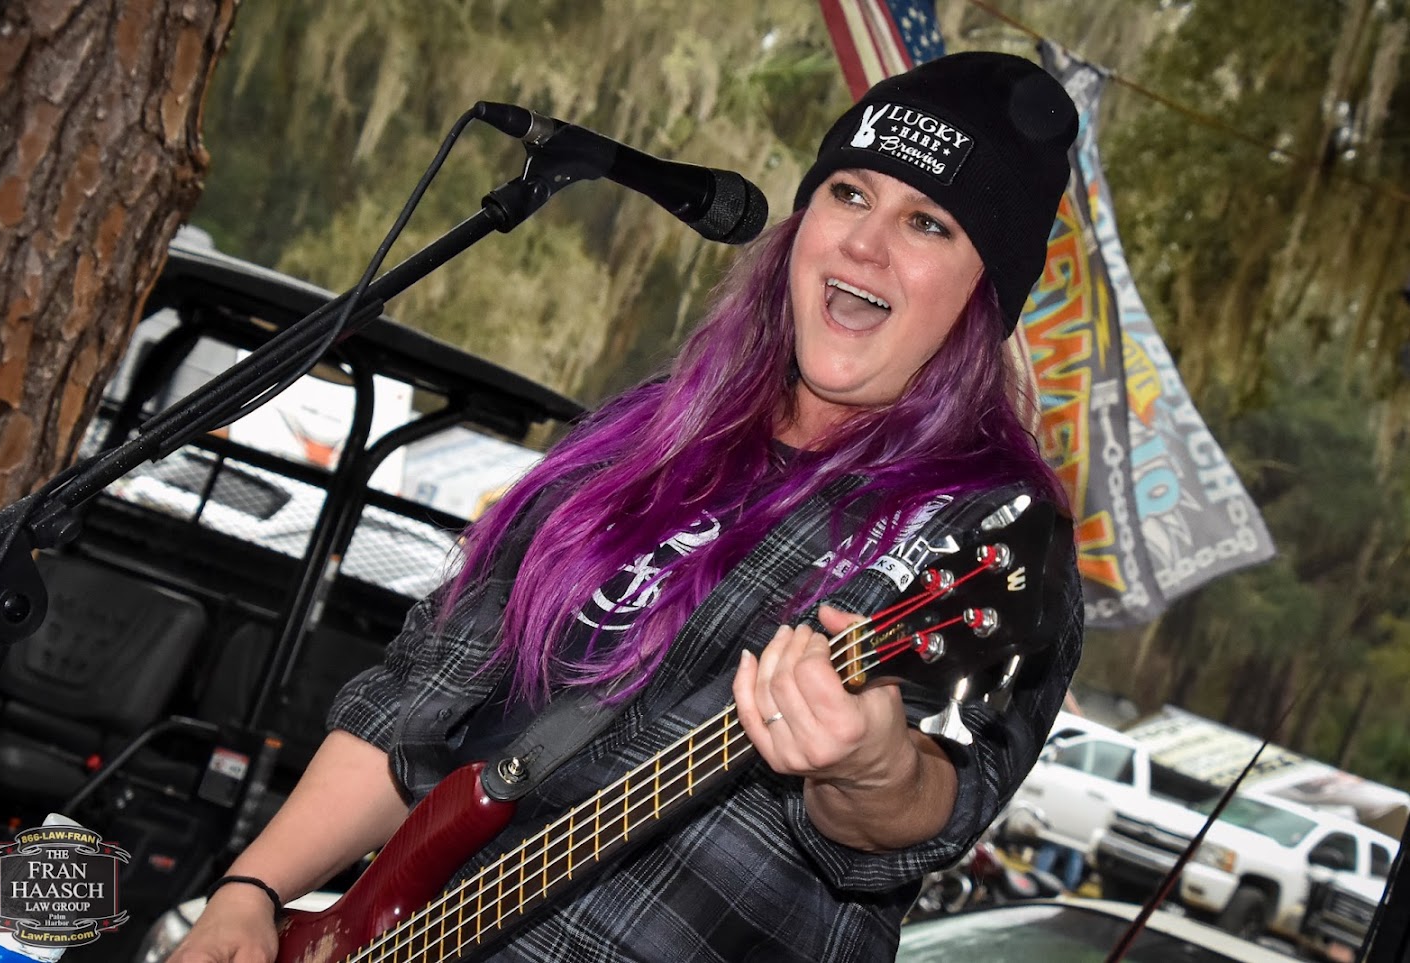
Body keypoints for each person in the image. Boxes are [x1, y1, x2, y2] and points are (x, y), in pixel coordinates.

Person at [170, 50, 1084, 963]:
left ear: (984, 294)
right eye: (849, 194)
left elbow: (934, 802)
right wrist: (252, 890)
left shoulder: (993, 536)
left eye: (927, 223)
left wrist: (870, 766)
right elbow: (423, 692)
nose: (865, 244)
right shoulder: (648, 433)